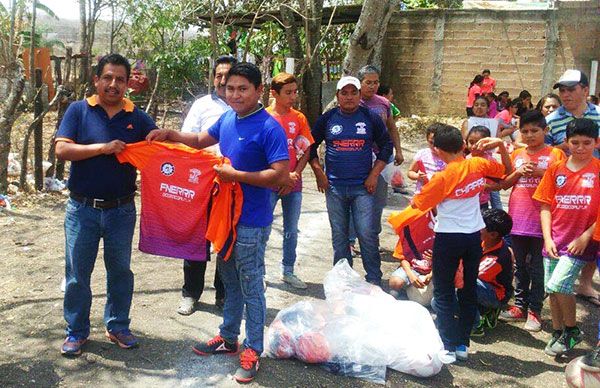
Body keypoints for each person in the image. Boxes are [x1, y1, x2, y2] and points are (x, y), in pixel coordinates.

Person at [146, 62, 290, 383]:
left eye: (243, 89)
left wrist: (235, 175)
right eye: (230, 88)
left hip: (252, 220)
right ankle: (228, 337)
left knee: (251, 283)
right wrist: (171, 134)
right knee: (229, 278)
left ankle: (253, 348)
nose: (235, 94)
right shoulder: (228, 117)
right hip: (224, 216)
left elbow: (280, 175)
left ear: (259, 91)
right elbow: (199, 138)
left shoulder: (269, 127)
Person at [55, 53, 159, 356]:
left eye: (120, 80)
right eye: (108, 78)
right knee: (77, 274)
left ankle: (117, 326)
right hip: (81, 209)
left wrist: (159, 138)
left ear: (128, 84)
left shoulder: (137, 117)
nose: (113, 85)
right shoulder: (78, 111)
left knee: (120, 272)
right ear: (96, 80)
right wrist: (103, 148)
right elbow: (62, 150)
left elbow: (158, 145)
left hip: (121, 210)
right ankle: (76, 331)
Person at [410, 125, 511, 361]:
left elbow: (418, 204)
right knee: (467, 290)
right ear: (463, 145)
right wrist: (498, 145)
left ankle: (447, 344)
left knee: (444, 292)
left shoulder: (441, 178)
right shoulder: (478, 165)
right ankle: (462, 345)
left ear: (436, 150)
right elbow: (506, 170)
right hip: (474, 237)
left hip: (448, 238)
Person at [309, 76, 393, 286]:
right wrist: (319, 172)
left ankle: (374, 279)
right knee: (340, 237)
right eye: (344, 93)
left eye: (353, 92)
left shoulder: (370, 117)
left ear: (359, 95)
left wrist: (374, 174)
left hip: (363, 188)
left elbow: (386, 146)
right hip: (335, 188)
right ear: (337, 96)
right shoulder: (328, 119)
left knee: (366, 234)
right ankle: (342, 281)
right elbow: (310, 145)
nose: (349, 97)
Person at [533, 118, 600, 356]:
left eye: (586, 143)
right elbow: (544, 206)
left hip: (582, 244)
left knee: (559, 283)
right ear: (566, 142)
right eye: (575, 142)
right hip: (555, 240)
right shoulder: (555, 170)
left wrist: (586, 237)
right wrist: (547, 238)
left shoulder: (598, 170)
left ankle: (572, 330)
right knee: (553, 290)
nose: (580, 148)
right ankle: (558, 331)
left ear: (596, 142)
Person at [177, 55, 237, 315]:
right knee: (196, 240)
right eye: (218, 75)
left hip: (234, 183)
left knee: (226, 240)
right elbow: (189, 140)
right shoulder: (202, 105)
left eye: (228, 75)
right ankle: (191, 293)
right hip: (202, 183)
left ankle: (223, 295)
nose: (223, 80)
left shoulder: (245, 106)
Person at [498, 110, 565, 332]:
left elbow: (563, 183)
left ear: (545, 130)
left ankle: (535, 310)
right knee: (519, 267)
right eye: (524, 131)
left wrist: (539, 171)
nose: (529, 135)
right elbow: (505, 183)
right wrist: (518, 172)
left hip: (543, 222)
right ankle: (519, 306)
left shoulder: (555, 153)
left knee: (538, 269)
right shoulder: (517, 153)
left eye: (534, 130)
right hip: (518, 219)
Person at [545, 70, 600, 306]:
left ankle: (585, 283)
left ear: (585, 90)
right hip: (565, 190)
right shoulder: (552, 119)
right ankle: (559, 286)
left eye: (571, 89)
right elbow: (536, 145)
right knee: (568, 235)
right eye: (562, 90)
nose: (565, 94)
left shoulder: (599, 115)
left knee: (593, 237)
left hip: (594, 187)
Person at [266, 72, 314, 289]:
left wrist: (293, 175)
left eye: (295, 92)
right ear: (274, 93)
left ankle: (288, 270)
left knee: (291, 229)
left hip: (293, 184)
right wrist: (278, 176)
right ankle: (260, 273)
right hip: (267, 184)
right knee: (263, 228)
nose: (293, 96)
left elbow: (306, 148)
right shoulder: (263, 117)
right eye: (288, 93)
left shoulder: (299, 118)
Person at [470, 209, 514, 337]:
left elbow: (466, 276)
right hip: (484, 286)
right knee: (437, 302)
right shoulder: (483, 240)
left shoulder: (497, 258)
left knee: (465, 285)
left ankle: (476, 325)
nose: (476, 227)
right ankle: (485, 311)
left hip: (495, 294)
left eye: (481, 226)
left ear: (493, 234)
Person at [406, 122, 447, 194]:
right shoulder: (422, 154)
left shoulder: (447, 156)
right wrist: (417, 176)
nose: (434, 146)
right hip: (422, 194)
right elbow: (410, 172)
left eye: (438, 143)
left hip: (441, 195)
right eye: (431, 142)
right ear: (427, 139)